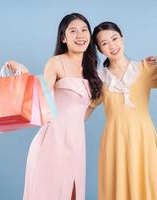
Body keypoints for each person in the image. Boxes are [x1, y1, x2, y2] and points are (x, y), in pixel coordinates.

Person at [88, 21, 157, 200]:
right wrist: (64, 127)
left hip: (144, 138)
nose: (112, 45)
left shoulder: (144, 69)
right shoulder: (99, 78)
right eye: (104, 43)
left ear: (123, 39)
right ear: (100, 49)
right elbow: (87, 108)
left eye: (114, 38)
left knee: (152, 184)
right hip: (115, 142)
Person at [8, 13, 102, 200]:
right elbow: (43, 100)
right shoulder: (56, 63)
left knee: (72, 194)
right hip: (52, 140)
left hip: (76, 143)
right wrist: (25, 75)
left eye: (84, 30)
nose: (80, 35)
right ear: (63, 38)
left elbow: (82, 114)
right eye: (73, 31)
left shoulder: (92, 69)